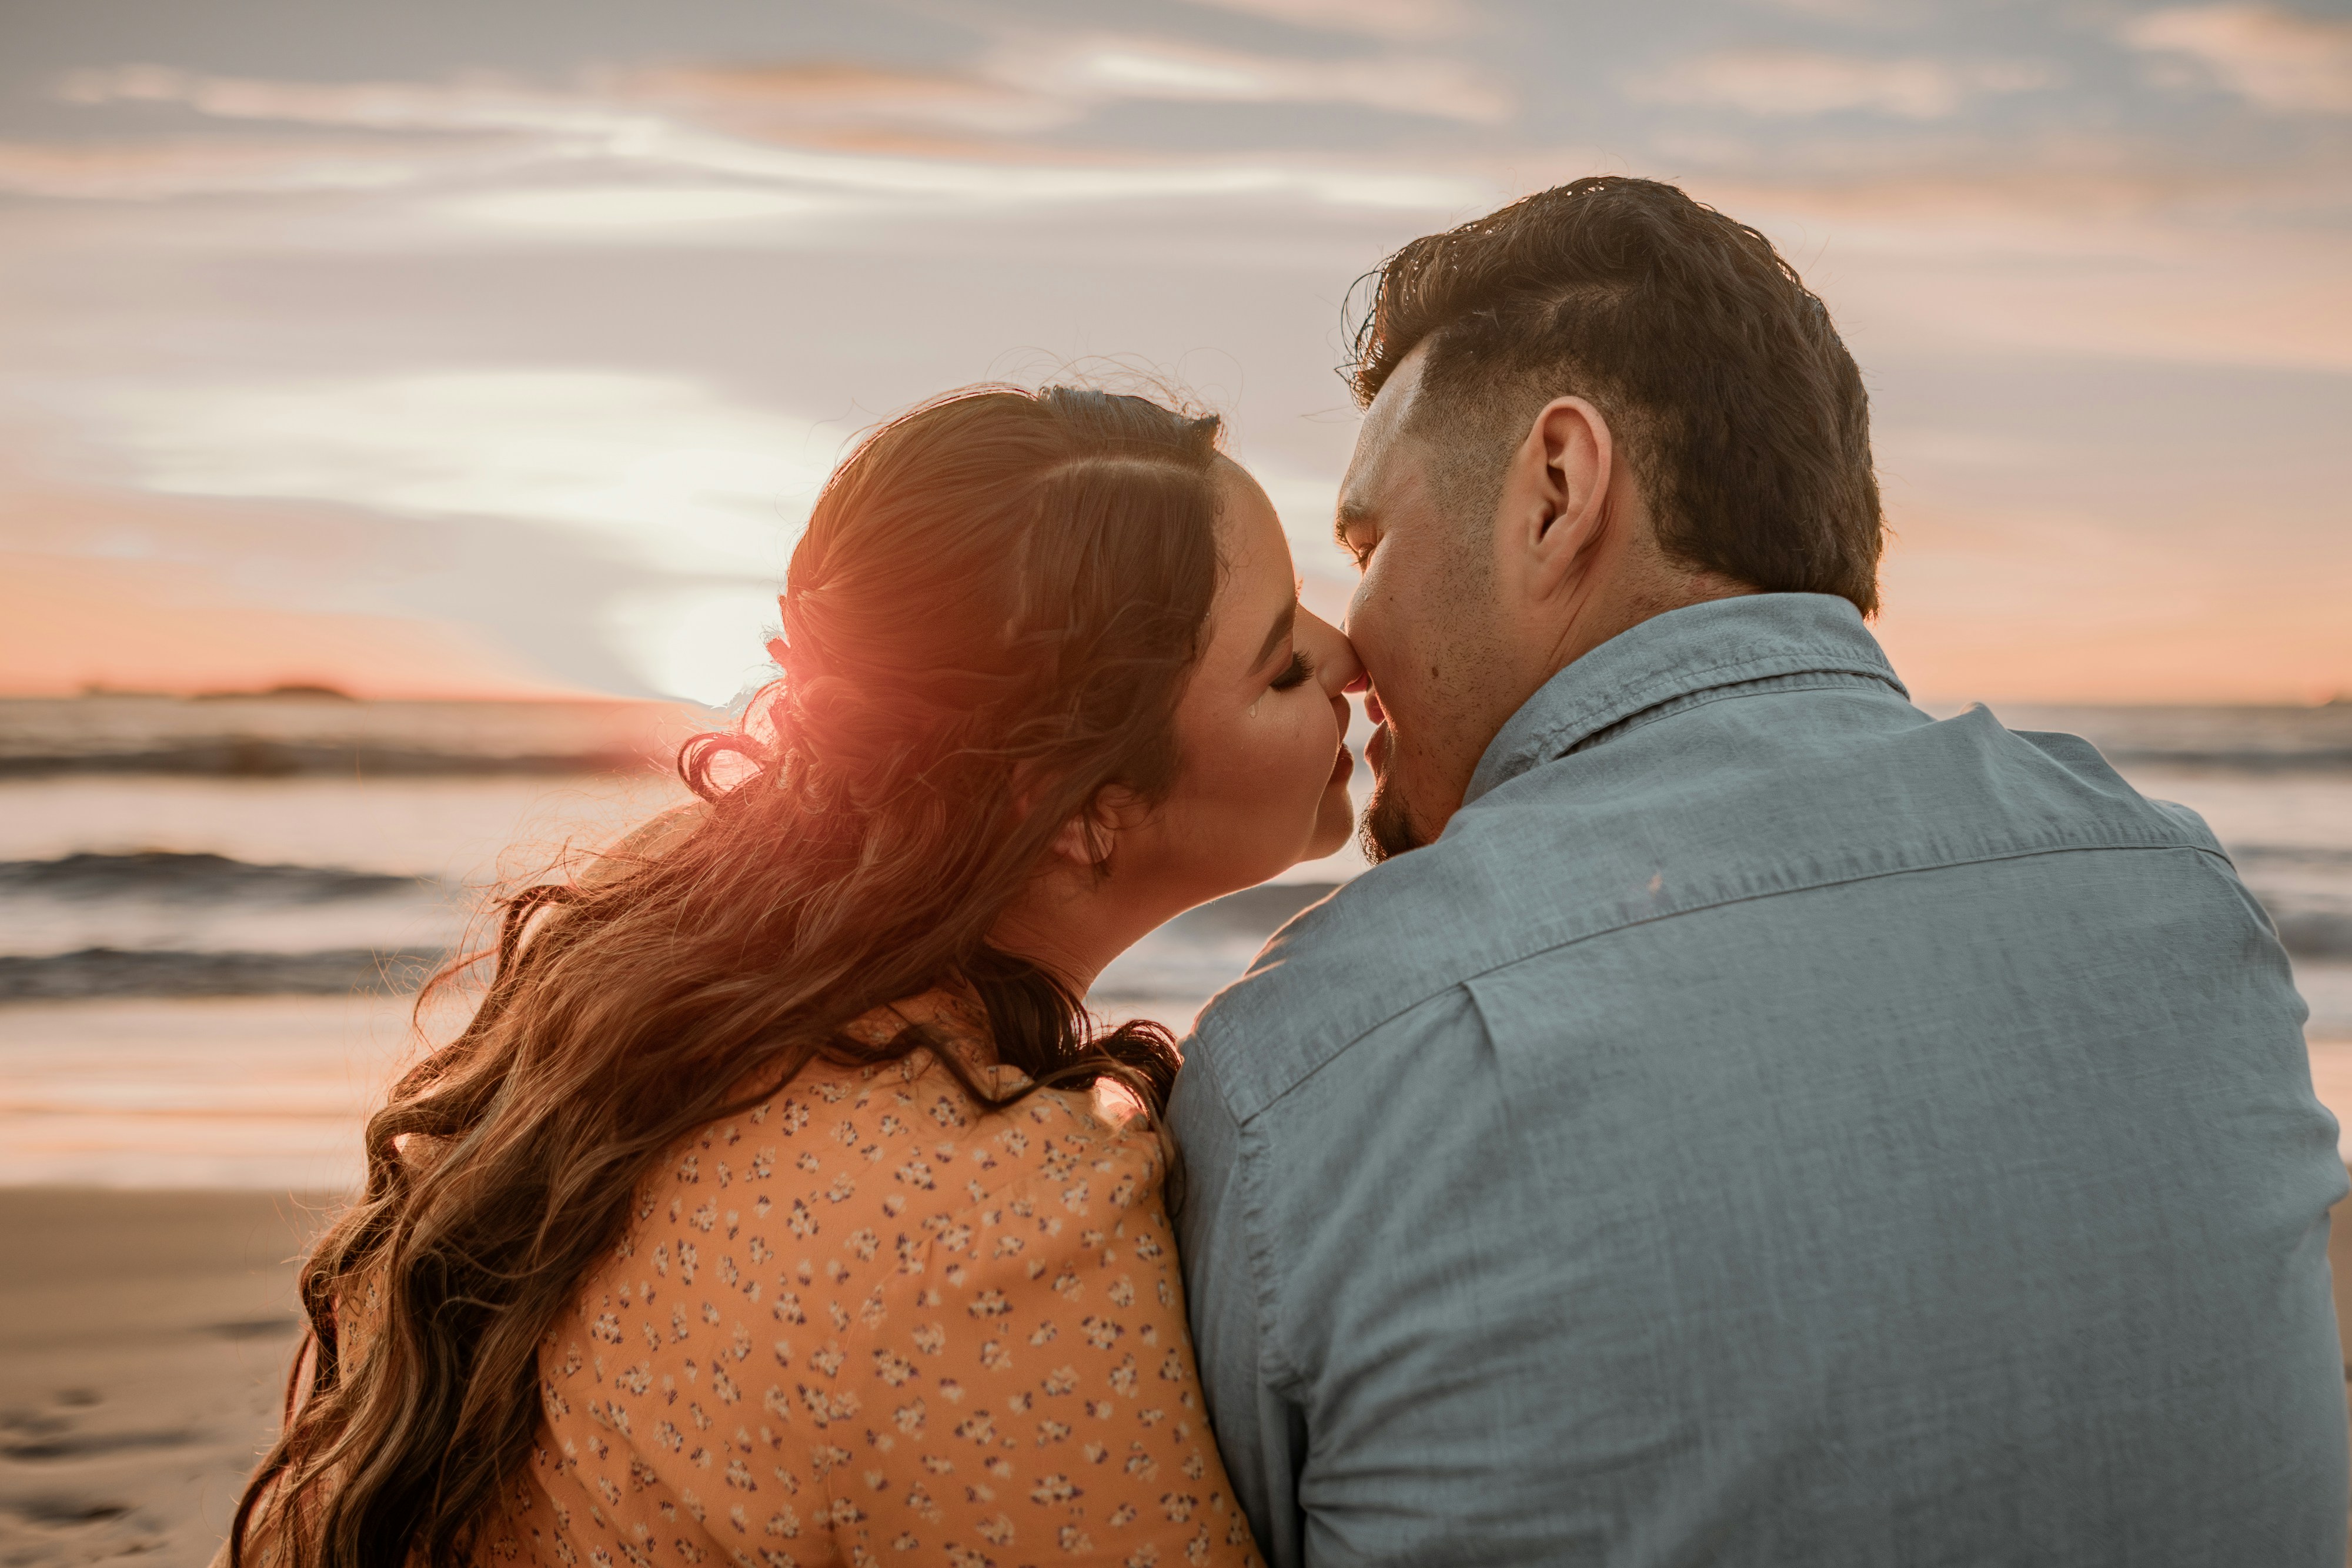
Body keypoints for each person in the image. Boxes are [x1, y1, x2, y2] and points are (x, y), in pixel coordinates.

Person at [1170, 176, 2349, 1566]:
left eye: (1366, 541)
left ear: (1557, 489)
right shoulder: (2174, 896)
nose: (1350, 636)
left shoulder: (1308, 1064)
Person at [226, 386, 1362, 1567]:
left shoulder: (665, 915)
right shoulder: (987, 1223)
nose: (1346, 656)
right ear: (1079, 807)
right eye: (1280, 664)